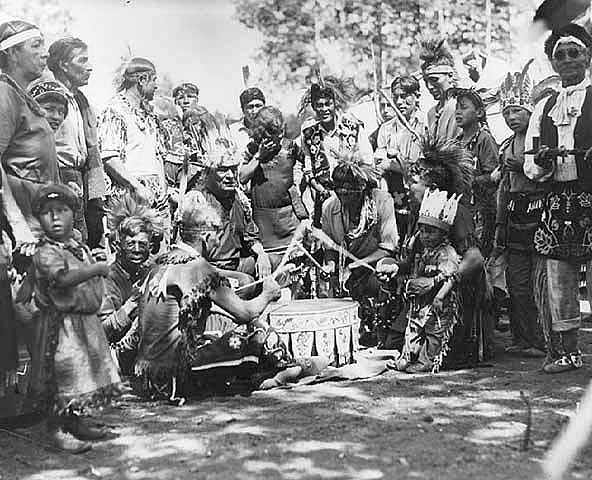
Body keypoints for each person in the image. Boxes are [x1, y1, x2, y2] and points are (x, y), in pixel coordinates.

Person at [134, 191, 285, 398]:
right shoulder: (198, 267)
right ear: (206, 236)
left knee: (218, 329)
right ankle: (284, 369)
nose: (217, 243)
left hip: (147, 378)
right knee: (256, 331)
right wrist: (268, 293)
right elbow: (246, 313)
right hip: (176, 378)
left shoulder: (160, 261)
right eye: (217, 236)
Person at [378, 136, 494, 366]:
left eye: (412, 183)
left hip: (451, 297)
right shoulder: (418, 213)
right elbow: (413, 260)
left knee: (431, 351)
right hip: (424, 297)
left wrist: (435, 285)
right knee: (393, 343)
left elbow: (475, 259)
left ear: (431, 188)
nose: (406, 188)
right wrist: (394, 267)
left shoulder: (457, 213)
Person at [27, 184, 120, 453]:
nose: (55, 218)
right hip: (61, 327)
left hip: (84, 324)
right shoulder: (45, 252)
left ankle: (76, 421)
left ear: (73, 214)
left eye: (62, 210)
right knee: (62, 376)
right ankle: (56, 431)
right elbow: (62, 280)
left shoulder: (75, 246)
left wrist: (93, 263)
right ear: (39, 218)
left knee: (82, 375)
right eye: (47, 213)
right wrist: (94, 269)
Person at [524, 23, 592, 373]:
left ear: (588, 57)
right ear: (552, 63)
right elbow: (529, 160)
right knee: (558, 277)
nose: (567, 60)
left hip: (591, 198)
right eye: (559, 55)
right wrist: (541, 162)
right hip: (556, 199)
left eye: (574, 53)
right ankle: (567, 352)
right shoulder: (544, 106)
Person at [494, 64, 546, 357]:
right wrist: (501, 223)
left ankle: (540, 339)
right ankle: (522, 337)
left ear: (530, 112)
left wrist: (526, 168)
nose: (513, 118)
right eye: (508, 113)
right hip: (515, 214)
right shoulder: (507, 145)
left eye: (518, 112)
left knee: (539, 279)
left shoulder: (540, 140)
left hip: (538, 212)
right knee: (517, 280)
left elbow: (547, 173)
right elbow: (503, 187)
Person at [98, 57, 168, 244]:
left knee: (157, 254)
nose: (156, 86)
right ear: (142, 80)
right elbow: (110, 157)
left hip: (154, 196)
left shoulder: (150, 115)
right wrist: (137, 186)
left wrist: (162, 190)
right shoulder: (115, 111)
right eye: (154, 80)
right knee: (132, 250)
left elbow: (157, 156)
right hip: (129, 196)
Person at [391, 189, 462, 373]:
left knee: (433, 333)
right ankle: (407, 357)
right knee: (413, 329)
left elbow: (450, 277)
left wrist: (439, 296)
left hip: (437, 303)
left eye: (430, 232)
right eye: (421, 231)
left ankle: (427, 360)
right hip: (420, 302)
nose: (424, 236)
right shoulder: (424, 250)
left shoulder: (447, 253)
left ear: (443, 233)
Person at [0, 20, 60, 238]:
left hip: (39, 216)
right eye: (36, 45)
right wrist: (18, 223)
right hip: (24, 225)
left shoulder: (21, 97)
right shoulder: (4, 94)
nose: (45, 54)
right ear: (12, 53)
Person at [47, 37, 108, 247]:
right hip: (60, 175)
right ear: (63, 64)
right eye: (82, 61)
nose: (90, 67)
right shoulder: (48, 96)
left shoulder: (80, 100)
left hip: (82, 176)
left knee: (88, 238)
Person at [321, 150, 398, 303]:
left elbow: (388, 249)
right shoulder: (329, 207)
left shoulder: (382, 201)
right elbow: (330, 248)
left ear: (362, 187)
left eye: (348, 192)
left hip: (376, 267)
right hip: (346, 271)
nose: (343, 195)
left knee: (383, 273)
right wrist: (330, 266)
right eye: (339, 191)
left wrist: (356, 265)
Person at [191, 136, 272, 279]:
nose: (230, 176)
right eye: (222, 170)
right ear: (208, 172)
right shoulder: (197, 201)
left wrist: (261, 254)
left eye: (233, 169)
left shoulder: (238, 197)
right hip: (208, 271)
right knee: (246, 281)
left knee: (275, 262)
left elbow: (250, 235)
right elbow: (190, 256)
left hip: (235, 265)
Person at [299, 76, 374, 225]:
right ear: (313, 107)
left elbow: (368, 161)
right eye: (319, 105)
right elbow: (308, 167)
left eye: (328, 104)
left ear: (335, 103)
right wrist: (321, 190)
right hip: (324, 196)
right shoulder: (308, 134)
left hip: (354, 195)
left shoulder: (353, 126)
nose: (324, 109)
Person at [239, 106, 308, 266]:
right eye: (276, 133)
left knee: (294, 264)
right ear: (264, 133)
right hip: (264, 221)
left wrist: (300, 190)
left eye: (282, 130)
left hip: (288, 219)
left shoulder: (290, 146)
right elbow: (242, 177)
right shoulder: (253, 148)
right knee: (269, 264)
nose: (281, 135)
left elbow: (309, 164)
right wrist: (259, 157)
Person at [98, 195, 159, 375]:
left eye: (143, 244)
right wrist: (131, 304)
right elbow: (102, 331)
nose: (137, 249)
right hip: (114, 352)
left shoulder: (152, 270)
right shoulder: (107, 278)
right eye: (131, 243)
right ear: (118, 245)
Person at [375, 75, 426, 243]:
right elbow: (379, 164)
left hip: (420, 190)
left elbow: (423, 165)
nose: (399, 102)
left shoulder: (426, 125)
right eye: (396, 97)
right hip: (395, 191)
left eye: (404, 96)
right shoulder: (386, 128)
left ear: (417, 96)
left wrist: (393, 165)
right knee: (398, 234)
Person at [455, 88, 499, 257]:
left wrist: (470, 181)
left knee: (477, 255)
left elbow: (494, 176)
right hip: (460, 208)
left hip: (480, 209)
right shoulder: (456, 142)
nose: (458, 112)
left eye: (464, 107)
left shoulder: (484, 139)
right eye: (457, 108)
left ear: (479, 112)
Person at [419, 37, 461, 141]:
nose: (429, 86)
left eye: (434, 80)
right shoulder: (432, 113)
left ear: (450, 76)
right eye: (426, 81)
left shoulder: (462, 108)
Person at [229, 87, 266, 158]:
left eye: (258, 106)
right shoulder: (233, 132)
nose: (255, 110)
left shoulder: (272, 129)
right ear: (243, 110)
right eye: (250, 107)